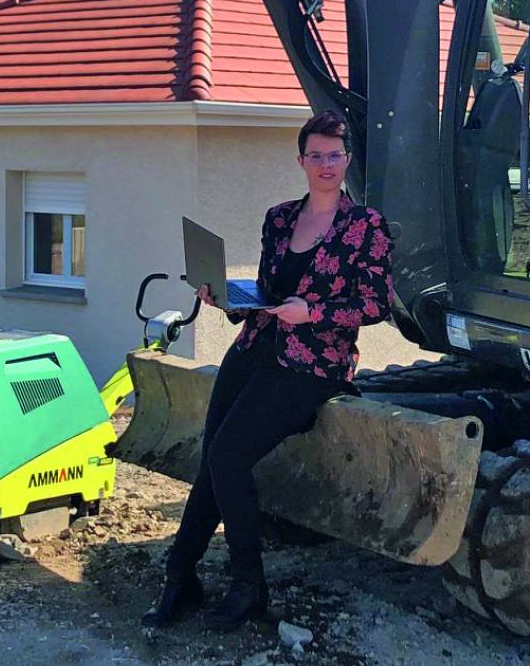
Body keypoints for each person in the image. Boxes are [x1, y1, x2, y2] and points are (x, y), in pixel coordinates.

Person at [143, 109, 394, 633]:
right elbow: (267, 295)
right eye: (316, 155)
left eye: (335, 155)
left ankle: (247, 584)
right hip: (257, 344)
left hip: (316, 362)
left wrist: (316, 313)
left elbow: (374, 305)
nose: (326, 164)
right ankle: (180, 575)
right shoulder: (279, 218)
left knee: (229, 455)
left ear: (347, 160)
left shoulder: (365, 227)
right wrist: (224, 300)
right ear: (300, 160)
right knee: (214, 453)